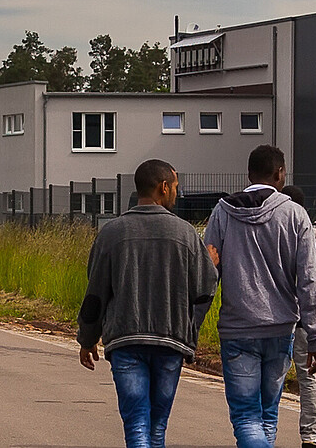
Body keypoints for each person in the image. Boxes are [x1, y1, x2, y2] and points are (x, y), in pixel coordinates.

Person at [78, 159, 217, 448]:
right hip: (170, 342)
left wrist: (88, 337)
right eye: (176, 187)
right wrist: (189, 329)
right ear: (163, 188)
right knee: (157, 425)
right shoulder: (186, 234)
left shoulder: (112, 233)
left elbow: (95, 294)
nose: (177, 193)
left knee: (136, 424)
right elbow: (204, 291)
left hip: (126, 341)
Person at [203, 145, 316, 448]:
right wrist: (315, 335)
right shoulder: (296, 215)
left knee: (246, 416)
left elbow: (207, 274)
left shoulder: (222, 212)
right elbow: (310, 280)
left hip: (237, 329)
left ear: (249, 174)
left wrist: (192, 326)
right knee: (269, 414)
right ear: (280, 173)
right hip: (281, 328)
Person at [282, 186, 316, 448]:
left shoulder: (275, 232)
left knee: (271, 378)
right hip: (305, 321)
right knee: (308, 380)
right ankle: (311, 437)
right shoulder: (314, 236)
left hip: (279, 320)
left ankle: (261, 432)